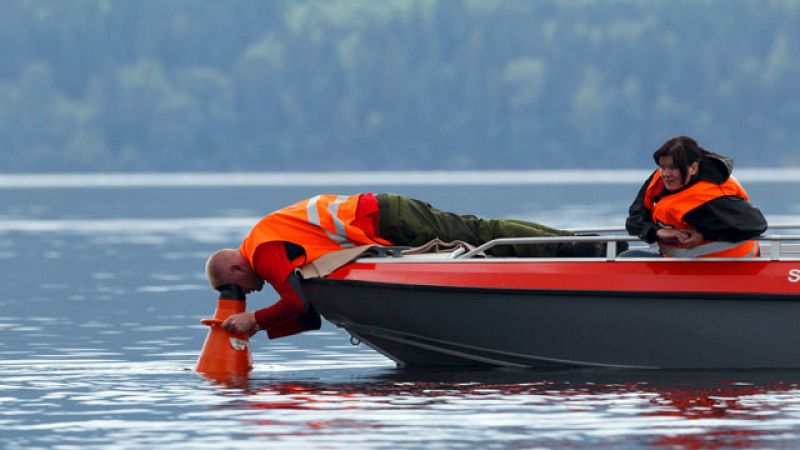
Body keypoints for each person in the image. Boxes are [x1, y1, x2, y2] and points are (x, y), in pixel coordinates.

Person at [206, 193, 612, 340]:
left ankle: (575, 246)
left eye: (236, 291)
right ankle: (571, 245)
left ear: (237, 270)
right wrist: (257, 327)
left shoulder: (262, 250)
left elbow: (294, 303)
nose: (244, 296)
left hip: (385, 216)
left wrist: (254, 321)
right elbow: (310, 317)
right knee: (476, 232)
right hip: (382, 215)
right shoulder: (264, 239)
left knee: (477, 233)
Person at [624, 136, 767, 258]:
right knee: (623, 256)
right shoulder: (658, 180)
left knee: (625, 259)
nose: (666, 174)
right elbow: (634, 220)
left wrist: (703, 235)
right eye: (663, 167)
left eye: (673, 168)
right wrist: (658, 232)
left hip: (732, 266)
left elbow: (756, 224)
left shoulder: (712, 194)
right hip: (681, 266)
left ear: (693, 168)